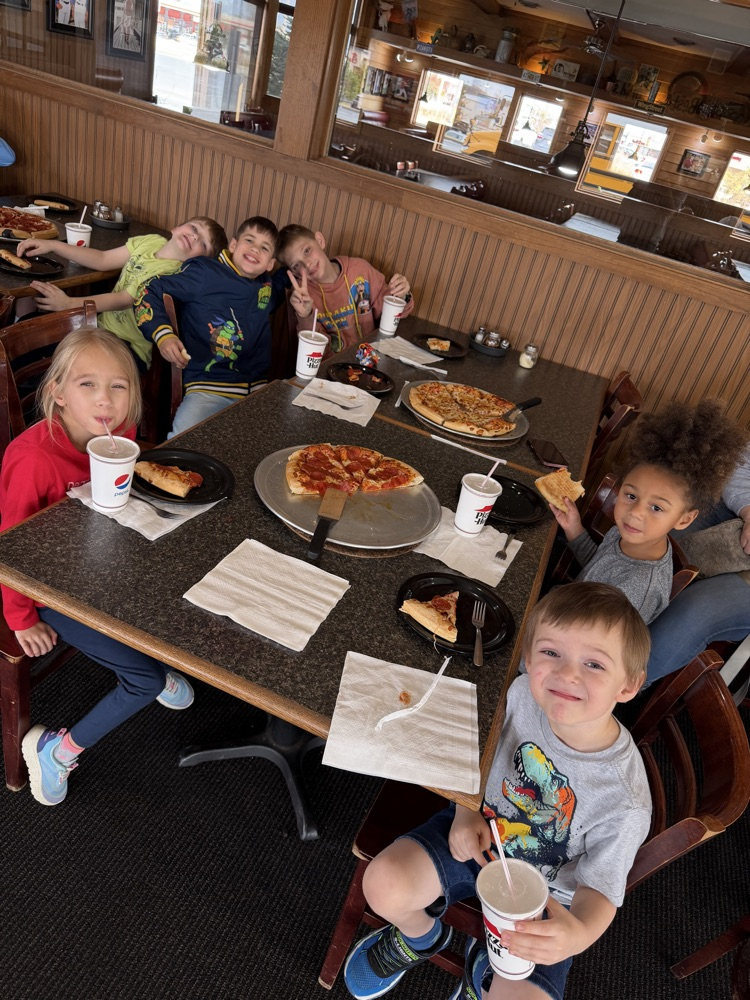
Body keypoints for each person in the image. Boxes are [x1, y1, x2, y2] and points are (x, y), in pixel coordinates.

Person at [343, 582, 651, 1000]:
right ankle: (420, 939)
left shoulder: (625, 798)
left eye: (594, 664)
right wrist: (465, 811)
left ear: (628, 686)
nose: (566, 674)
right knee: (382, 884)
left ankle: (481, 974)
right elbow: (473, 755)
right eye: (550, 652)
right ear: (527, 658)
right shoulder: (520, 694)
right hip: (476, 839)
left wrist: (576, 935)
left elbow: (601, 890)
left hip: (544, 895)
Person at [0, 328, 194, 807]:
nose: (105, 400)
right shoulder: (33, 462)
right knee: (144, 683)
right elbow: (10, 552)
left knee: (176, 571)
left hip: (92, 560)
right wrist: (22, 617)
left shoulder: (117, 437)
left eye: (118, 386)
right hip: (46, 589)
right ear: (58, 394)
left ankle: (147, 653)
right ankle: (56, 750)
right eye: (87, 384)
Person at [549, 399, 747, 624]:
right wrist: (574, 529)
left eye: (656, 507)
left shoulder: (638, 589)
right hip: (563, 606)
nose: (635, 511)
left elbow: (591, 646)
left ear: (684, 519)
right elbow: (597, 568)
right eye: (631, 496)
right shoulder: (628, 533)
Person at [135, 216, 308, 438]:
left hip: (259, 393)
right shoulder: (205, 272)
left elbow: (286, 278)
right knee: (180, 445)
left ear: (270, 264)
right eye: (249, 241)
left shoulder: (265, 286)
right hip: (207, 389)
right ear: (233, 245)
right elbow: (148, 290)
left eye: (264, 248)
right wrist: (163, 335)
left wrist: (301, 278)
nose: (255, 249)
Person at [17, 217, 227, 371]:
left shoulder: (176, 274)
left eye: (203, 242)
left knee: (54, 367)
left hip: (127, 348)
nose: (194, 236)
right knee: (26, 333)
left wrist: (69, 303)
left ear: (202, 262)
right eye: (194, 228)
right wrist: (53, 245)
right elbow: (102, 259)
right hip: (97, 327)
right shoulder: (152, 241)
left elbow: (123, 300)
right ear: (176, 227)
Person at [647, 444, 750, 683]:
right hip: (734, 514)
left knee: (693, 610)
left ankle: (611, 686)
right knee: (652, 540)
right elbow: (740, 464)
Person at [276, 224, 413, 355]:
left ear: (320, 241)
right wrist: (305, 315)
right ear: (294, 273)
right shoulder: (301, 298)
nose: (306, 264)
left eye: (307, 251)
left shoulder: (360, 270)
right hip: (331, 370)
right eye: (296, 266)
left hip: (373, 358)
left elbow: (393, 312)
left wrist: (401, 295)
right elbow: (313, 352)